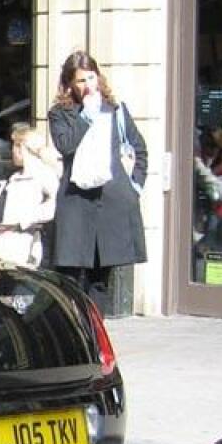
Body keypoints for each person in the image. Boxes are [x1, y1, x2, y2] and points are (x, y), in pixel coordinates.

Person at [48, 51, 147, 313]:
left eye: (91, 77)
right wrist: (87, 117)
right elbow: (65, 145)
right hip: (76, 203)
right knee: (69, 277)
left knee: (100, 281)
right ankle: (74, 333)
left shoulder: (115, 110)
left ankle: (95, 335)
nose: (87, 85)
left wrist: (134, 187)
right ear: (69, 84)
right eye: (80, 80)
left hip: (110, 203)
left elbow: (139, 149)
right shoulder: (61, 113)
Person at [0, 123, 61, 266]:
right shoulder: (16, 176)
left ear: (22, 148)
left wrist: (22, 222)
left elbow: (54, 205)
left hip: (22, 244)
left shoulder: (43, 174)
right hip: (3, 239)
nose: (11, 151)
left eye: (14, 146)